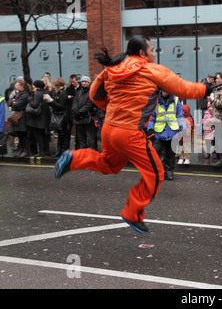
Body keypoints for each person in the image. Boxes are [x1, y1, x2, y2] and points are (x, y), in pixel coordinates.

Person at [54, 35, 209, 233]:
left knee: (109, 165)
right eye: (152, 50)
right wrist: (205, 89)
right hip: (129, 133)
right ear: (143, 53)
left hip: (109, 129)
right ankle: (132, 212)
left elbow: (94, 95)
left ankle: (74, 158)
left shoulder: (110, 70)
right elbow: (183, 88)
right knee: (155, 174)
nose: (154, 54)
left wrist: (114, 109)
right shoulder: (151, 69)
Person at [148, 88, 185, 180]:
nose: (165, 92)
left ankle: (169, 172)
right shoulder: (155, 100)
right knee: (155, 153)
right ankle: (155, 172)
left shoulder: (176, 100)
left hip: (172, 131)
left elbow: (180, 116)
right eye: (163, 90)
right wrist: (150, 128)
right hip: (159, 132)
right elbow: (151, 116)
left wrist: (183, 128)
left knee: (170, 154)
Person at [44, 77, 69, 157]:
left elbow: (61, 106)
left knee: (64, 134)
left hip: (63, 117)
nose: (53, 85)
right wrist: (49, 102)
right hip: (58, 115)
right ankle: (59, 150)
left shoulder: (63, 93)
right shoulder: (58, 92)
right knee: (60, 134)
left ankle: (64, 151)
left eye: (54, 83)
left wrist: (51, 101)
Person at [26, 80, 51, 157]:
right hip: (44, 117)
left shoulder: (38, 93)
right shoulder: (45, 92)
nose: (33, 86)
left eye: (34, 85)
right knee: (44, 134)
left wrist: (30, 98)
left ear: (37, 86)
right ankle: (46, 150)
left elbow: (34, 105)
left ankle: (41, 151)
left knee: (39, 134)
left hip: (39, 118)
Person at [72, 76, 96, 149]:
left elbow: (89, 104)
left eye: (86, 82)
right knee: (81, 136)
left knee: (90, 137)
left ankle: (91, 151)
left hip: (87, 117)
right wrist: (76, 111)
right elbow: (75, 102)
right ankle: (83, 151)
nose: (84, 83)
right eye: (83, 81)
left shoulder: (91, 92)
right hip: (79, 118)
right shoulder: (78, 92)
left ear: (89, 83)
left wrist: (80, 112)